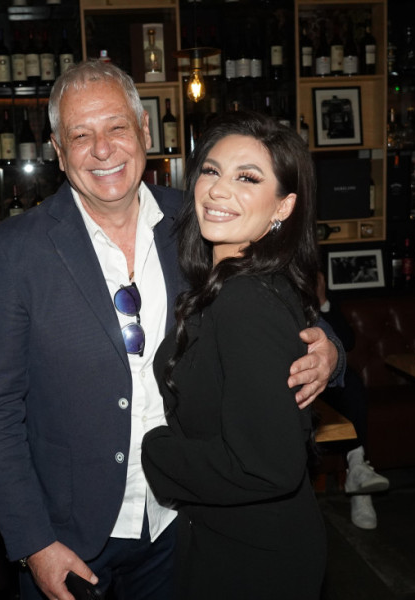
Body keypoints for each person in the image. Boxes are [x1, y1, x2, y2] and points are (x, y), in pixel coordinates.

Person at [0, 60, 342, 600]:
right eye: (81, 135)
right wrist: (33, 542)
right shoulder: (17, 251)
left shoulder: (200, 219)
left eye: (117, 127)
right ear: (58, 150)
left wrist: (331, 352)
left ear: (144, 129)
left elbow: (276, 301)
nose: (102, 149)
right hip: (72, 538)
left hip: (186, 524)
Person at [140, 110, 326, 598]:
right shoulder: (234, 284)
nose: (218, 190)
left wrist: (154, 450)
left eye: (247, 178)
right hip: (227, 536)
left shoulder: (246, 298)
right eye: (211, 171)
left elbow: (268, 466)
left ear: (284, 206)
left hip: (254, 559)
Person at [316, 272, 389, 530]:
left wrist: (322, 300)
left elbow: (347, 342)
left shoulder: (319, 304)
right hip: (292, 380)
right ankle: (357, 472)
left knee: (351, 381)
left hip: (326, 382)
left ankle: (358, 472)